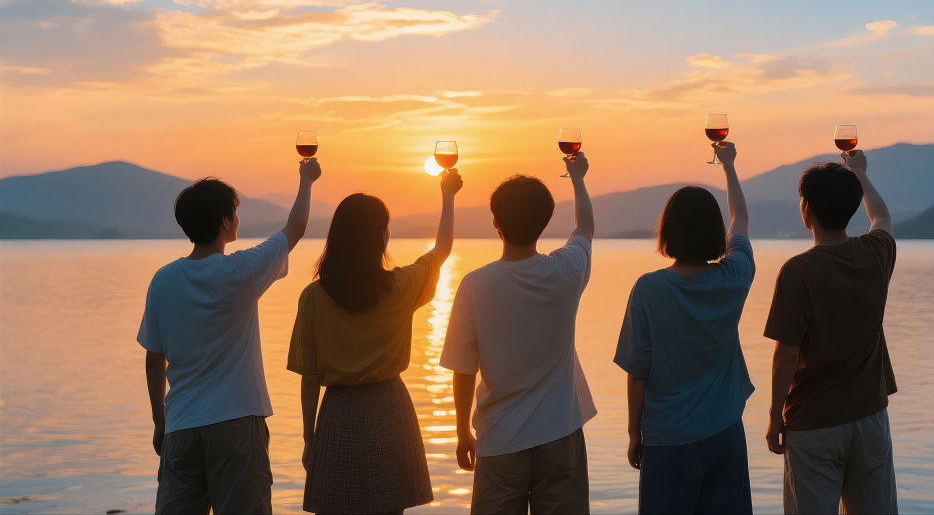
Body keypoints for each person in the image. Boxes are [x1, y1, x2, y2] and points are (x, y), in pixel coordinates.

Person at [139, 158, 322, 514]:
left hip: (181, 428)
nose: (238, 218)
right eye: (235, 212)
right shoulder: (240, 271)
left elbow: (153, 358)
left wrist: (160, 420)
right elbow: (295, 227)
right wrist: (307, 179)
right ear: (225, 222)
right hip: (237, 424)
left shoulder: (162, 280)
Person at [287, 169, 464, 514]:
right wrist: (448, 195)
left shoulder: (314, 297)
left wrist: (310, 439)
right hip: (389, 409)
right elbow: (442, 249)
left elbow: (310, 379)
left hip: (338, 413)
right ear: (380, 238)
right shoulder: (402, 286)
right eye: (387, 227)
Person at [440, 154, 596, 514]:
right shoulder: (566, 271)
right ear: (545, 222)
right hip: (561, 433)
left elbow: (464, 369)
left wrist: (463, 430)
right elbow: (585, 227)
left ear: (495, 221)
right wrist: (577, 177)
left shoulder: (475, 285)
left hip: (500, 438)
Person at [614, 141, 755, 514]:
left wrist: (634, 432)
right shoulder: (734, 278)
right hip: (725, 433)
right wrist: (729, 166)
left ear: (668, 232)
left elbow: (637, 372)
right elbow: (740, 218)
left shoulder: (649, 289)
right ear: (715, 233)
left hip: (669, 439)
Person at [764, 150, 898, 514]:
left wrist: (776, 415)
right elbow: (882, 216)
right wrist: (859, 172)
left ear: (806, 209)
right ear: (853, 206)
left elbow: (787, 354)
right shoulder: (877, 253)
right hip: (870, 417)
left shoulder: (798, 271)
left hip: (813, 423)